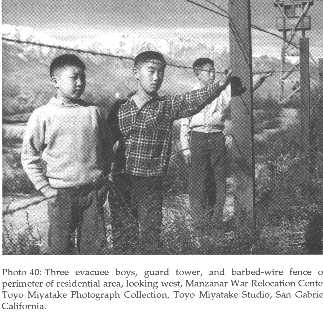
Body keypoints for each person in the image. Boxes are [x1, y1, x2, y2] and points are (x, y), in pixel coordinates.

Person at [110, 51, 231, 254]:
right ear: (136, 73)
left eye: (161, 72)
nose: (157, 77)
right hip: (122, 181)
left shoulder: (166, 106)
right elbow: (106, 144)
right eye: (151, 71)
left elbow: (192, 99)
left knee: (151, 235)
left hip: (151, 182)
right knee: (123, 236)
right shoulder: (120, 108)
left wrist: (220, 85)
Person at [21, 54, 112, 255]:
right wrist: (45, 189)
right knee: (60, 251)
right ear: (55, 81)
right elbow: (29, 157)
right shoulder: (43, 115)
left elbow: (107, 148)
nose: (80, 83)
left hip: (93, 194)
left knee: (93, 251)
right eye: (74, 78)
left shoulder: (93, 112)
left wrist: (104, 179)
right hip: (61, 195)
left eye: (83, 78)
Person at [180, 59, 272, 233]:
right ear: (197, 74)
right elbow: (184, 123)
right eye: (208, 71)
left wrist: (259, 78)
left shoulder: (221, 93)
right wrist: (185, 148)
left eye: (214, 70)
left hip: (216, 138)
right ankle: (200, 223)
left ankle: (216, 222)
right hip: (197, 138)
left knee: (218, 180)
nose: (212, 74)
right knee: (197, 182)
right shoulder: (190, 95)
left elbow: (243, 90)